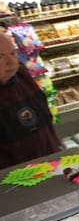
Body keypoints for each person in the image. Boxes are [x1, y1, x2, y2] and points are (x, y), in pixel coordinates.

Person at [0, 32, 59, 169]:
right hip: (15, 181)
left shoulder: (23, 78)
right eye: (0, 57)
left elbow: (45, 123)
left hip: (52, 166)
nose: (11, 62)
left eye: (13, 53)